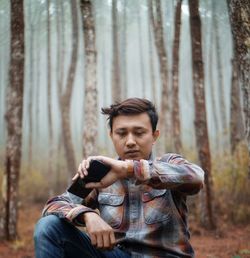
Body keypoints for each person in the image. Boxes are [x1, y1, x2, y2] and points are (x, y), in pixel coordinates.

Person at [34, 98, 204, 258]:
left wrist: (129, 169)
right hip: (117, 254)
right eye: (121, 133)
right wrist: (87, 214)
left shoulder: (169, 164)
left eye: (139, 133)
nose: (130, 141)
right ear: (111, 136)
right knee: (48, 227)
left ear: (154, 136)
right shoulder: (100, 175)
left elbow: (196, 178)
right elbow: (52, 206)